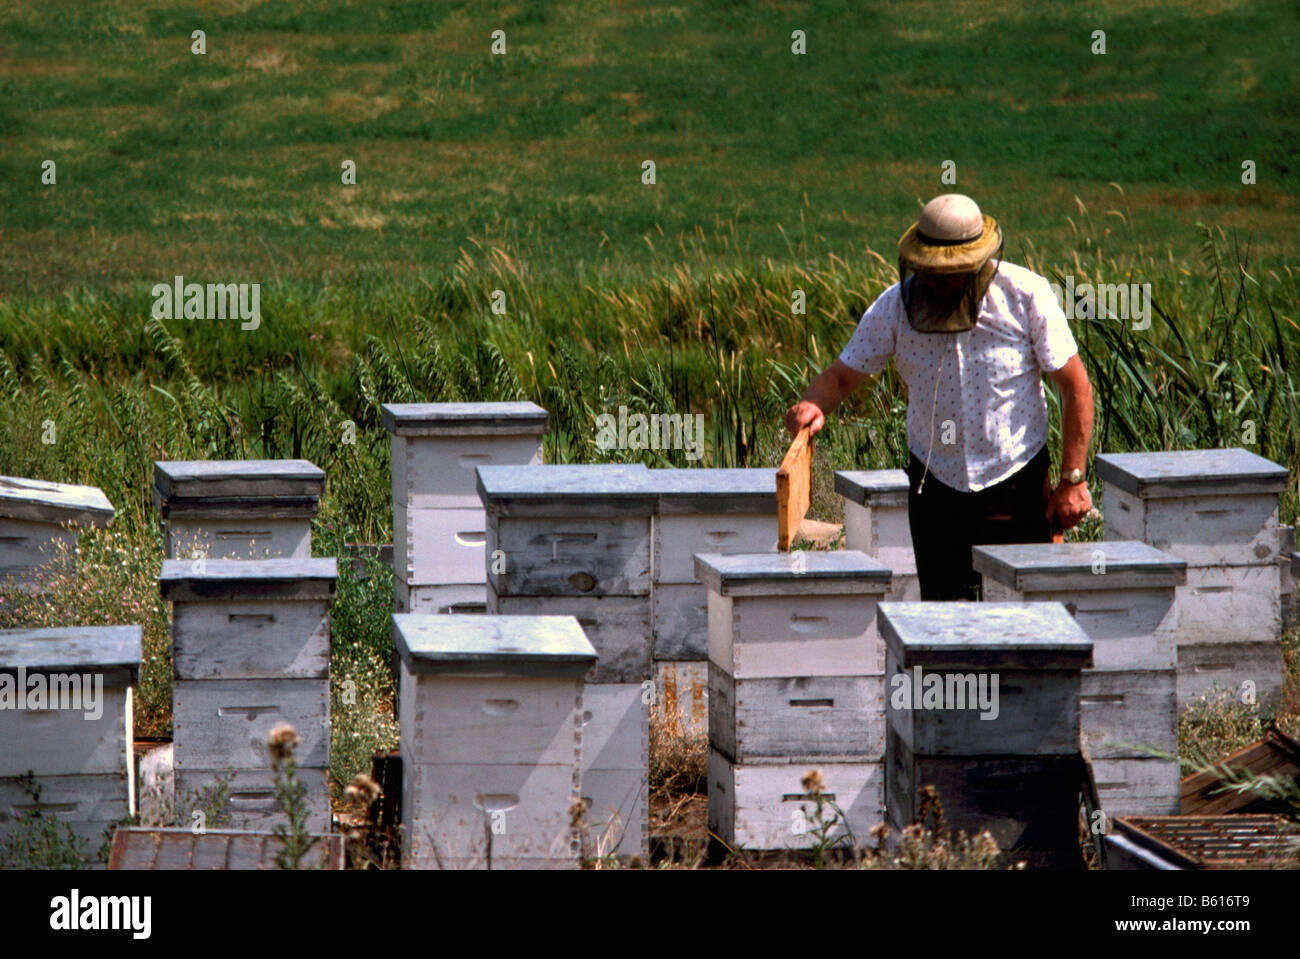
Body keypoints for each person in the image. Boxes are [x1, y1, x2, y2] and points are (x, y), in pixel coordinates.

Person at [784, 194, 1094, 601]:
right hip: (935, 489)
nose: (939, 282)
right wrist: (812, 404)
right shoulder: (895, 306)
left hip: (1015, 483)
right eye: (931, 272)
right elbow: (842, 377)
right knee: (944, 624)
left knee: (1023, 619)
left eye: (951, 274)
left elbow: (1075, 387)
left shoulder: (1026, 296)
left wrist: (1073, 478)